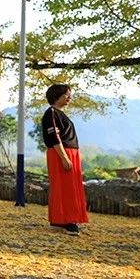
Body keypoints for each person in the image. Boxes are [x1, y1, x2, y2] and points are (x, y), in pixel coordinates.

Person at [41, 84, 88, 236]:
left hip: (70, 152)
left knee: (71, 187)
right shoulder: (51, 113)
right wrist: (64, 157)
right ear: (57, 95)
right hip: (60, 153)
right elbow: (54, 137)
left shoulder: (61, 114)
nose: (69, 97)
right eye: (66, 94)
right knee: (64, 187)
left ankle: (62, 219)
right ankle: (67, 221)